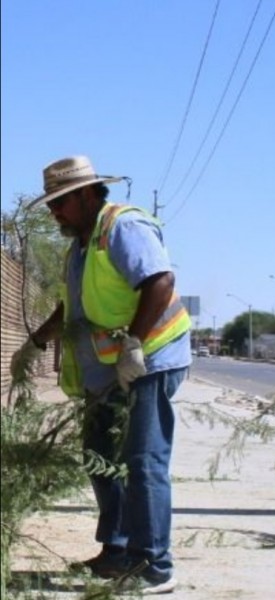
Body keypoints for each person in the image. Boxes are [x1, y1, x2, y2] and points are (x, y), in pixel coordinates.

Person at [10, 155, 192, 594]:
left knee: (142, 461)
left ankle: (154, 567)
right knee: (101, 458)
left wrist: (133, 344)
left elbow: (160, 282)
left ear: (88, 194)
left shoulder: (122, 228)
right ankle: (118, 549)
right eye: (51, 205)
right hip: (110, 373)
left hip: (150, 359)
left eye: (61, 203)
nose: (55, 213)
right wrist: (36, 341)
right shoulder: (82, 244)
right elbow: (73, 307)